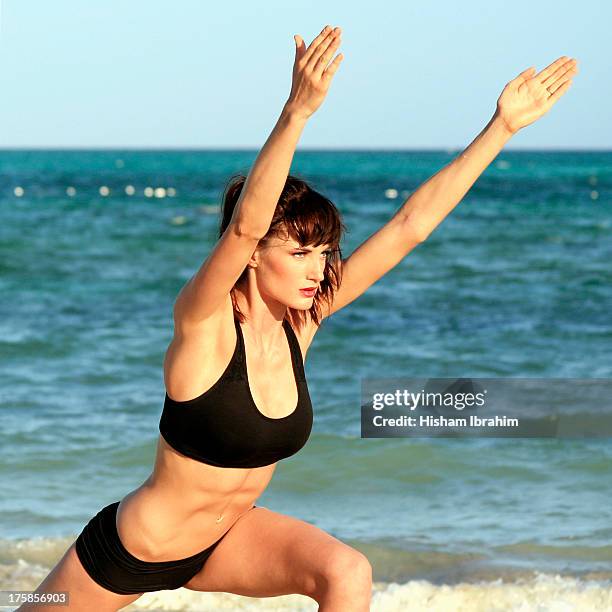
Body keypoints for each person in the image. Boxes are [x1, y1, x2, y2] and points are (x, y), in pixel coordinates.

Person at [22, 23, 577, 612]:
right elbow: (242, 225)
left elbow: (409, 227)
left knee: (346, 573)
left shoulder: (302, 324)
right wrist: (297, 111)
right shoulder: (203, 320)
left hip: (226, 540)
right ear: (256, 255)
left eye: (324, 251)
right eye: (298, 251)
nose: (319, 268)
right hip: (131, 552)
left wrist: (502, 128)